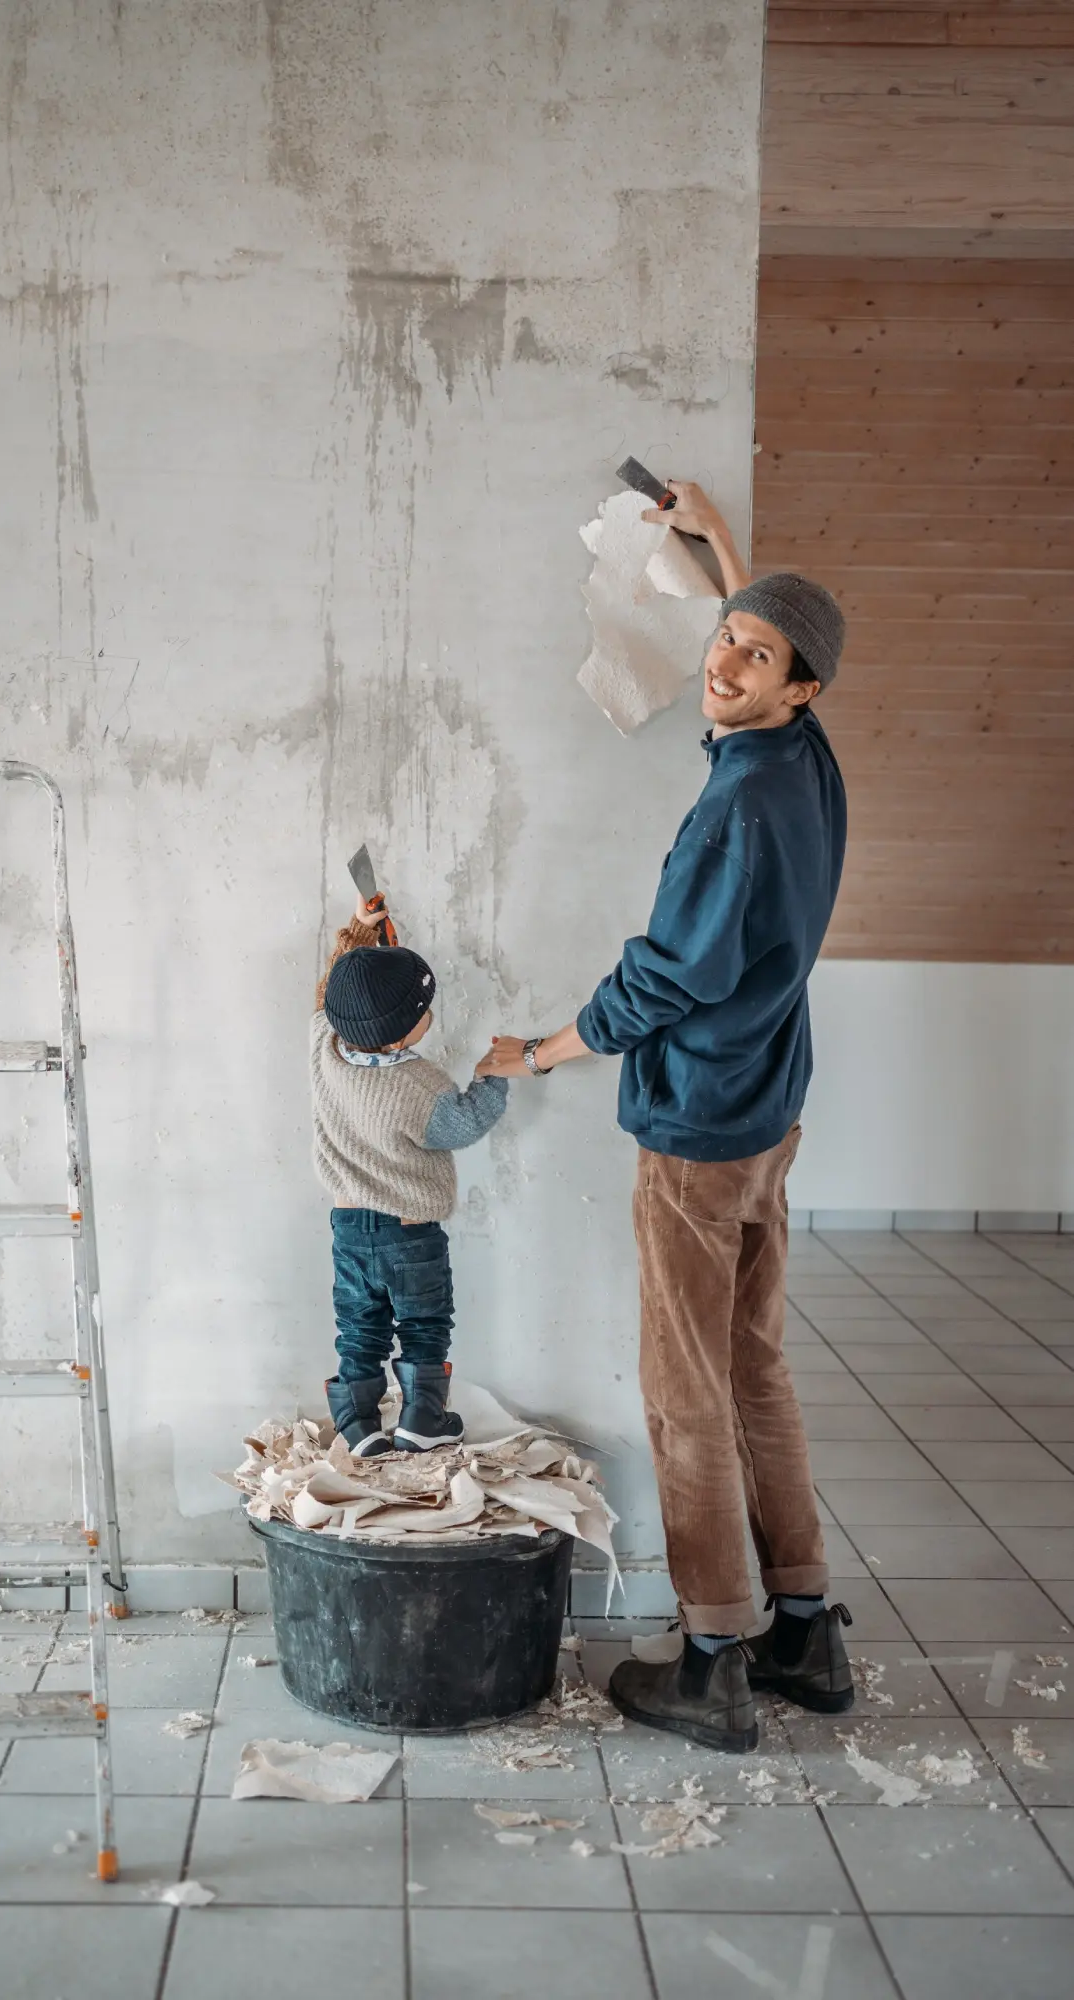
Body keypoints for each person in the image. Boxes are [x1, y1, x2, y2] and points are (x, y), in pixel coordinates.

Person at [478, 482, 853, 1753]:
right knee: (754, 1369)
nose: (725, 663)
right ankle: (804, 1625)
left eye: (754, 657)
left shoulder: (739, 807)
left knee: (683, 1390)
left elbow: (662, 978)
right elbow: (758, 640)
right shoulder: (799, 756)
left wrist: (535, 1049)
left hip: (696, 1131)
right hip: (768, 1116)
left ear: (799, 688)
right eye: (725, 641)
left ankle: (711, 1652)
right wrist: (716, 548)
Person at [312, 895, 508, 1457]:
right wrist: (491, 1076)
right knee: (423, 1322)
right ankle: (423, 1418)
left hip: (349, 1227)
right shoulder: (420, 1085)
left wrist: (357, 935)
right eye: (426, 1010)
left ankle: (358, 1424)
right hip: (410, 1231)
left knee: (359, 1328)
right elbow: (463, 1125)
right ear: (402, 1035)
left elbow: (328, 996)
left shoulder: (322, 1047)